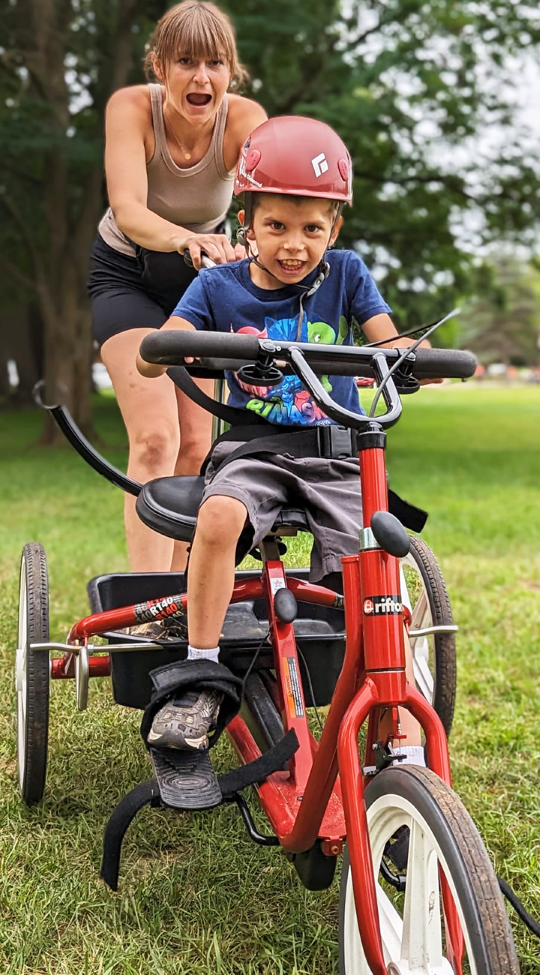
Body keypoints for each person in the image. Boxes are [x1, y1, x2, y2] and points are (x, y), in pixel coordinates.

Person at [136, 115, 426, 763]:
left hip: (336, 452)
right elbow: (154, 354)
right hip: (256, 451)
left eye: (311, 229)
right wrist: (177, 350)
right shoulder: (217, 286)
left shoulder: (346, 274)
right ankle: (201, 679)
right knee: (218, 516)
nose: (294, 244)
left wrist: (416, 354)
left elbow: (387, 338)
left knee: (380, 554)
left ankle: (395, 712)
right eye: (276, 227)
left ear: (334, 229)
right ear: (248, 223)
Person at [89, 0, 267, 572]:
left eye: (215, 63)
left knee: (198, 447)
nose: (201, 77)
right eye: (185, 61)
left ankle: (181, 596)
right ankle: (145, 601)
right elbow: (130, 210)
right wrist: (190, 239)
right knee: (156, 441)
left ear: (230, 72)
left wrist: (251, 251)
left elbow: (267, 207)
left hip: (204, 289)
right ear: (158, 66)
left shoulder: (244, 120)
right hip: (128, 276)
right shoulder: (131, 109)